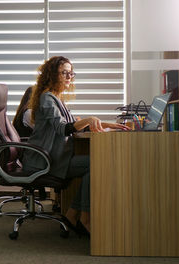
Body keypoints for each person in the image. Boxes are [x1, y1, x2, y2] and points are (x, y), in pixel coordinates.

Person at [21, 56, 129, 235]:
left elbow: (71, 124)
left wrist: (106, 124)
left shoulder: (56, 98)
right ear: (52, 75)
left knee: (95, 164)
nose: (69, 77)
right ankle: (82, 217)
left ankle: (73, 213)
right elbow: (63, 129)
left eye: (71, 73)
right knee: (96, 164)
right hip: (48, 160)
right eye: (64, 73)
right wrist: (89, 120)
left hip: (57, 155)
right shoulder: (47, 98)